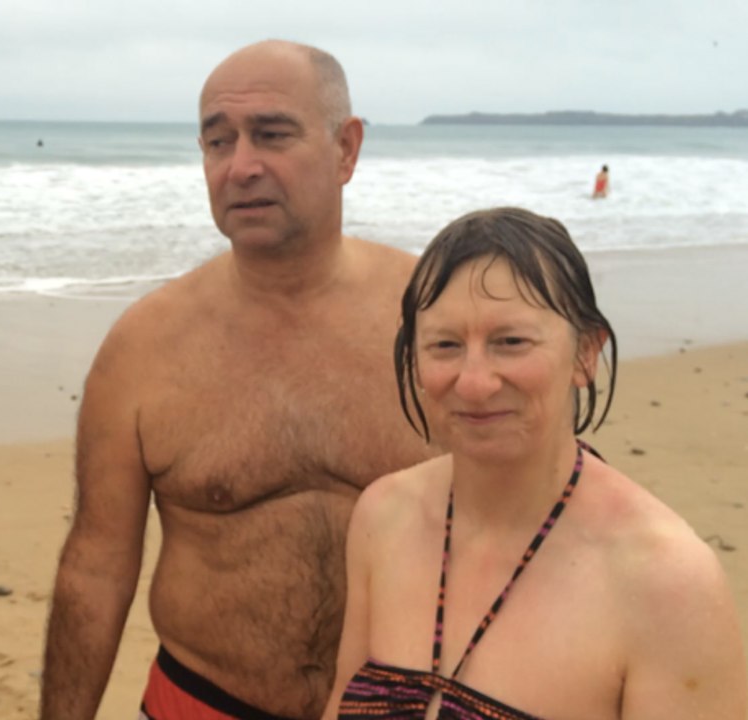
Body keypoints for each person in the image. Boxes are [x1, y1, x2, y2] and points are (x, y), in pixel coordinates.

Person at [40, 40, 436, 720]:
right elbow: (98, 567)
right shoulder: (145, 348)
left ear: (347, 148)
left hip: (415, 703)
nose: (240, 166)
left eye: (272, 135)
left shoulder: (439, 320)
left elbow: (542, 523)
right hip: (202, 702)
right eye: (217, 142)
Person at [325, 207, 747, 719]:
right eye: (445, 345)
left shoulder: (666, 581)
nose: (475, 382)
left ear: (586, 354)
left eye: (511, 342)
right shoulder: (383, 516)